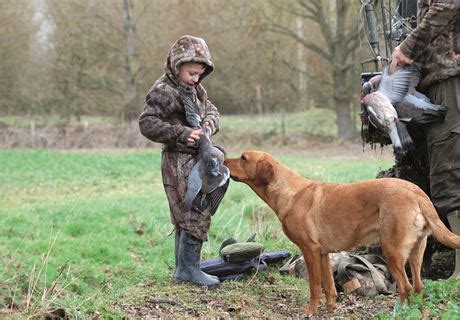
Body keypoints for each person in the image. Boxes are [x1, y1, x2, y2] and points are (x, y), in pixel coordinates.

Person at [139, 35, 221, 287]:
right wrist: (182, 134)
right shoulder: (163, 90)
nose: (196, 78)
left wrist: (208, 125)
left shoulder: (196, 89)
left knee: (193, 208)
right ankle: (187, 271)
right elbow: (147, 123)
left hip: (197, 158)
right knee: (192, 208)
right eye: (191, 73)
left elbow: (212, 110)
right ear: (176, 65)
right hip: (177, 159)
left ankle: (185, 268)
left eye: (200, 74)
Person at [389, 0, 460, 278]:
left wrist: (407, 48)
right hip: (443, 76)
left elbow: (446, 5)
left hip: (452, 76)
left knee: (451, 169)